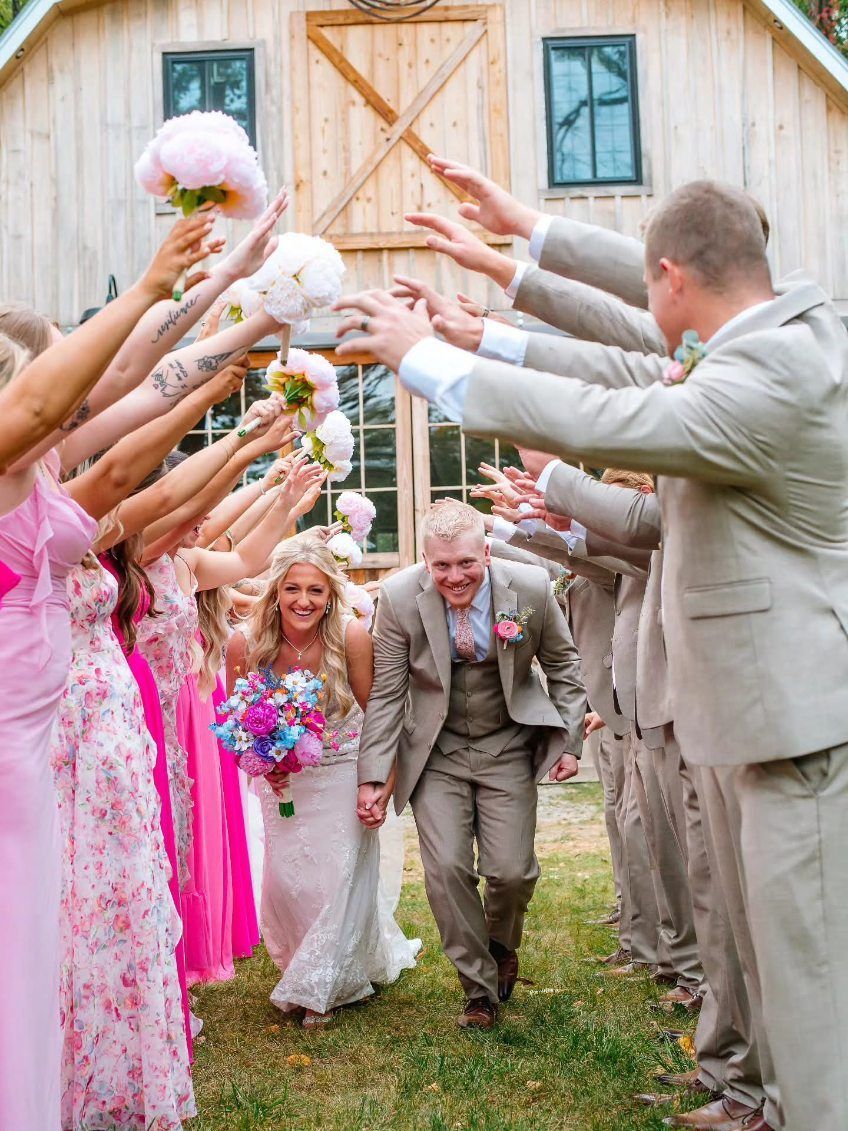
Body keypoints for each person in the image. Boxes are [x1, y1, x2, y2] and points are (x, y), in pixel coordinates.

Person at [337, 179, 848, 1131]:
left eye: (652, 290)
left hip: (795, 721)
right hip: (753, 717)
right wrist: (527, 238)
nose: (647, 322)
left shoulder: (766, 371)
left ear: (673, 282)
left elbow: (607, 413)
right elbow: (643, 299)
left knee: (811, 991)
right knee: (770, 967)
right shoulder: (763, 329)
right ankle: (769, 1103)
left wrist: (432, 358)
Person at [355, 500, 586, 1030]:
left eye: (466, 564)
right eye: (441, 566)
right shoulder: (397, 598)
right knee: (446, 870)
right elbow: (388, 695)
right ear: (424, 559)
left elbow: (564, 665)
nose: (454, 577)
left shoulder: (528, 587)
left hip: (507, 742)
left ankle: (501, 942)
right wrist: (373, 775)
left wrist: (570, 740)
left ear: (486, 551)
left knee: (511, 870)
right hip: (436, 750)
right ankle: (478, 990)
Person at [227, 535, 420, 1027]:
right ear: (275, 592)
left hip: (343, 767)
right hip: (284, 782)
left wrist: (380, 780)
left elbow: (378, 711)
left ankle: (320, 986)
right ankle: (302, 966)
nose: (304, 601)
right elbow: (235, 718)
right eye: (293, 589)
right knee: (286, 883)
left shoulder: (350, 635)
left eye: (316, 591)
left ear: (331, 595)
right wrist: (263, 762)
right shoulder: (245, 642)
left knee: (337, 875)